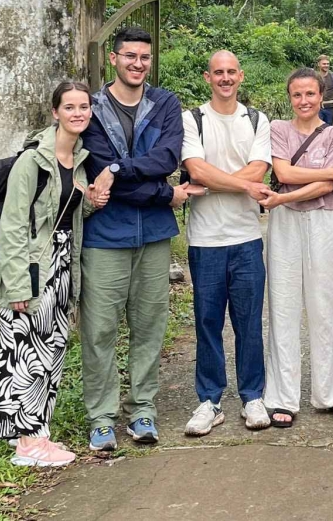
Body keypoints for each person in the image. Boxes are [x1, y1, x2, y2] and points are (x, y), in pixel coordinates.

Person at [79, 28, 188, 452]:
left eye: (144, 57)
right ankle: (102, 417)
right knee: (100, 329)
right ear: (113, 58)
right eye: (129, 56)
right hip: (106, 234)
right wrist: (164, 194)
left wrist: (118, 171)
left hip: (154, 235)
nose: (137, 64)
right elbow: (96, 170)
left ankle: (142, 408)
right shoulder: (91, 108)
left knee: (149, 326)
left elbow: (167, 158)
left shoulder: (164, 104)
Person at [0, 80, 106, 468]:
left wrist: (91, 201)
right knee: (25, 352)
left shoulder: (79, 159)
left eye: (83, 107)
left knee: (49, 347)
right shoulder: (33, 161)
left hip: (62, 263)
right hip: (32, 265)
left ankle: (32, 433)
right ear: (55, 112)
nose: (77, 113)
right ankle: (30, 444)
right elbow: (13, 225)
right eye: (69, 107)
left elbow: (66, 215)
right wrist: (18, 284)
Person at [180, 50, 274, 435]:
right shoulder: (192, 119)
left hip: (246, 237)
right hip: (205, 239)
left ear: (241, 75)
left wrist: (211, 183)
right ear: (207, 77)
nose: (225, 78)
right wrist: (243, 185)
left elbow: (259, 169)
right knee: (207, 322)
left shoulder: (256, 120)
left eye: (231, 71)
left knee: (248, 322)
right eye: (218, 72)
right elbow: (195, 168)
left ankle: (252, 396)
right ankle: (209, 400)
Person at [263, 68, 333, 426]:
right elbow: (283, 174)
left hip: (321, 220)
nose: (304, 101)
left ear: (322, 96)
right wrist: (329, 173)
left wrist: (283, 197)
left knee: (325, 304)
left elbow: (323, 189)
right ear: (290, 97)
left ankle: (332, 392)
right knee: (283, 305)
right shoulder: (278, 129)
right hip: (285, 224)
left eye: (310, 94)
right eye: (297, 95)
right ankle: (282, 396)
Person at [314, 55, 333, 126]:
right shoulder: (314, 77)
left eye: (327, 64)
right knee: (317, 129)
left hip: (329, 108)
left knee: (328, 129)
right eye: (324, 64)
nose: (326, 65)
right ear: (319, 64)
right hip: (317, 108)